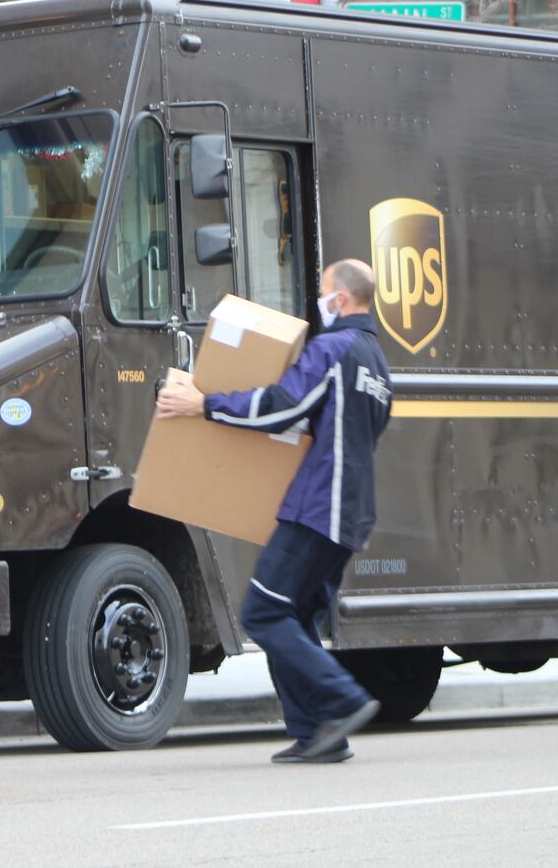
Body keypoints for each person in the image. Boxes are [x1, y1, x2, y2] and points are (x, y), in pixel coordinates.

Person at [156, 259, 393, 763]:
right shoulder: (376, 361)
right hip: (350, 514)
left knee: (263, 613)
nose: (319, 301)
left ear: (343, 300)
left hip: (317, 508)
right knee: (297, 614)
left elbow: (285, 404)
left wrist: (206, 404)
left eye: (324, 291)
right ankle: (319, 735)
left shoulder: (334, 349)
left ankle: (344, 699)